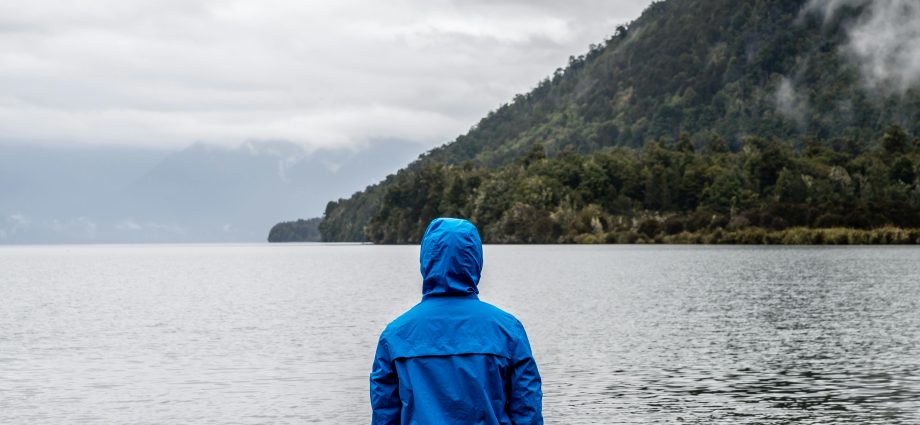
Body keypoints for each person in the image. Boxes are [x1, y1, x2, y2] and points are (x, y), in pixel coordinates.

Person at [370, 218, 543, 424]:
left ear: (426, 260)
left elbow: (383, 416)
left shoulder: (395, 335)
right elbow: (528, 412)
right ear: (475, 260)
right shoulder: (508, 330)